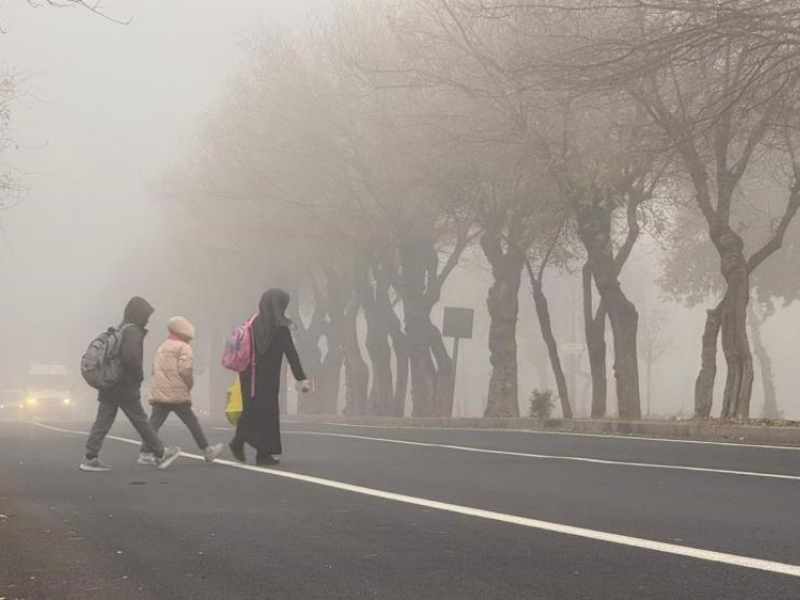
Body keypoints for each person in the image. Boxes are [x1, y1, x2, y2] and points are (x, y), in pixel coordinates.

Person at [80, 297, 181, 472]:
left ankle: (90, 457)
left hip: (109, 382)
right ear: (138, 315)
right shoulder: (132, 331)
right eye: (146, 316)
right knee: (140, 420)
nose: (147, 320)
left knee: (103, 421)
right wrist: (139, 377)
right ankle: (160, 454)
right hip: (124, 384)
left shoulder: (120, 329)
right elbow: (132, 358)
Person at [229, 289, 310, 466]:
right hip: (268, 378)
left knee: (251, 410)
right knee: (268, 414)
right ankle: (261, 453)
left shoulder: (252, 323)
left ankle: (241, 441)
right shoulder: (280, 328)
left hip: (248, 376)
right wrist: (301, 377)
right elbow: (291, 353)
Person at [138, 316, 224, 465]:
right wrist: (189, 384)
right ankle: (207, 450)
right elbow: (185, 370)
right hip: (177, 392)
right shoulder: (184, 347)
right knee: (191, 422)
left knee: (154, 423)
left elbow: (154, 369)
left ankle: (145, 453)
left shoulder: (162, 346)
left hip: (161, 392)